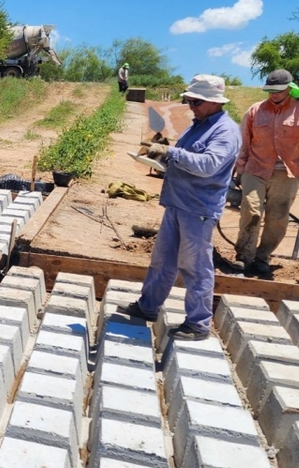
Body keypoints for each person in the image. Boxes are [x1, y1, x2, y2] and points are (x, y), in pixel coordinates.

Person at [122, 74, 241, 341]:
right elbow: (186, 160)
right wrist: (161, 157)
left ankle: (198, 324)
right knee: (162, 261)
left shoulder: (225, 130)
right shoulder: (197, 125)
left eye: (196, 102)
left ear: (213, 102)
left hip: (198, 210)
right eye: (188, 100)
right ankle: (148, 306)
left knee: (194, 267)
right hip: (178, 202)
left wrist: (171, 153)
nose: (191, 106)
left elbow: (208, 165)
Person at [231, 69, 299, 274]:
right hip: (256, 169)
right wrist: (239, 170)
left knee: (277, 217)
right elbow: (244, 142)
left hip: (287, 173)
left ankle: (262, 258)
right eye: (270, 91)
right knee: (251, 211)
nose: (274, 94)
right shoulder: (255, 111)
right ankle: (244, 256)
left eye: (278, 91)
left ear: (289, 88)